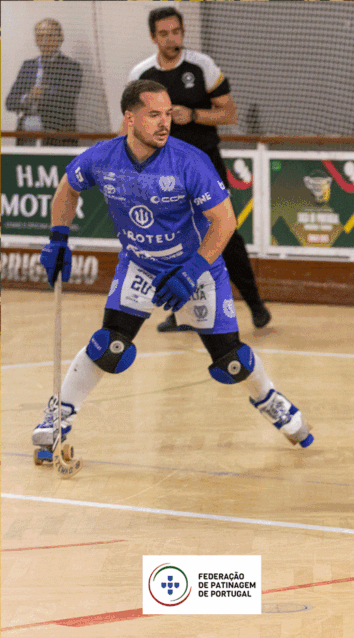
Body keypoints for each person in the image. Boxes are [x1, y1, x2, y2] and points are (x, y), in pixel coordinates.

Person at [32, 80, 312, 465]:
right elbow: (68, 188)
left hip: (195, 267)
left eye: (167, 114)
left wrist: (192, 271)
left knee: (231, 361)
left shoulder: (189, 161)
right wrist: (57, 239)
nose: (164, 123)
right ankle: (59, 415)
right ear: (130, 118)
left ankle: (270, 400)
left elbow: (225, 222)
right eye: (154, 115)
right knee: (109, 346)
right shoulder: (103, 157)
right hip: (140, 263)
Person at [125, 7, 270, 333]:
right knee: (172, 238)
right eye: (164, 34)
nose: (172, 39)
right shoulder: (141, 74)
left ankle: (255, 304)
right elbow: (132, 124)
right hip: (163, 169)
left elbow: (229, 113)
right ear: (153, 37)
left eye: (176, 32)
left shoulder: (201, 66)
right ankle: (184, 313)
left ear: (183, 31)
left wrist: (193, 115)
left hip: (205, 164)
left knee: (224, 232)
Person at [5, 19, 82, 147]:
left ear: (60, 38)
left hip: (57, 136)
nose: (45, 41)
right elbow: (10, 102)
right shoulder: (28, 66)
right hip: (27, 137)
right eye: (40, 36)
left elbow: (65, 101)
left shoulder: (71, 67)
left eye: (50, 35)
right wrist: (28, 97)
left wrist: (41, 95)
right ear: (36, 41)